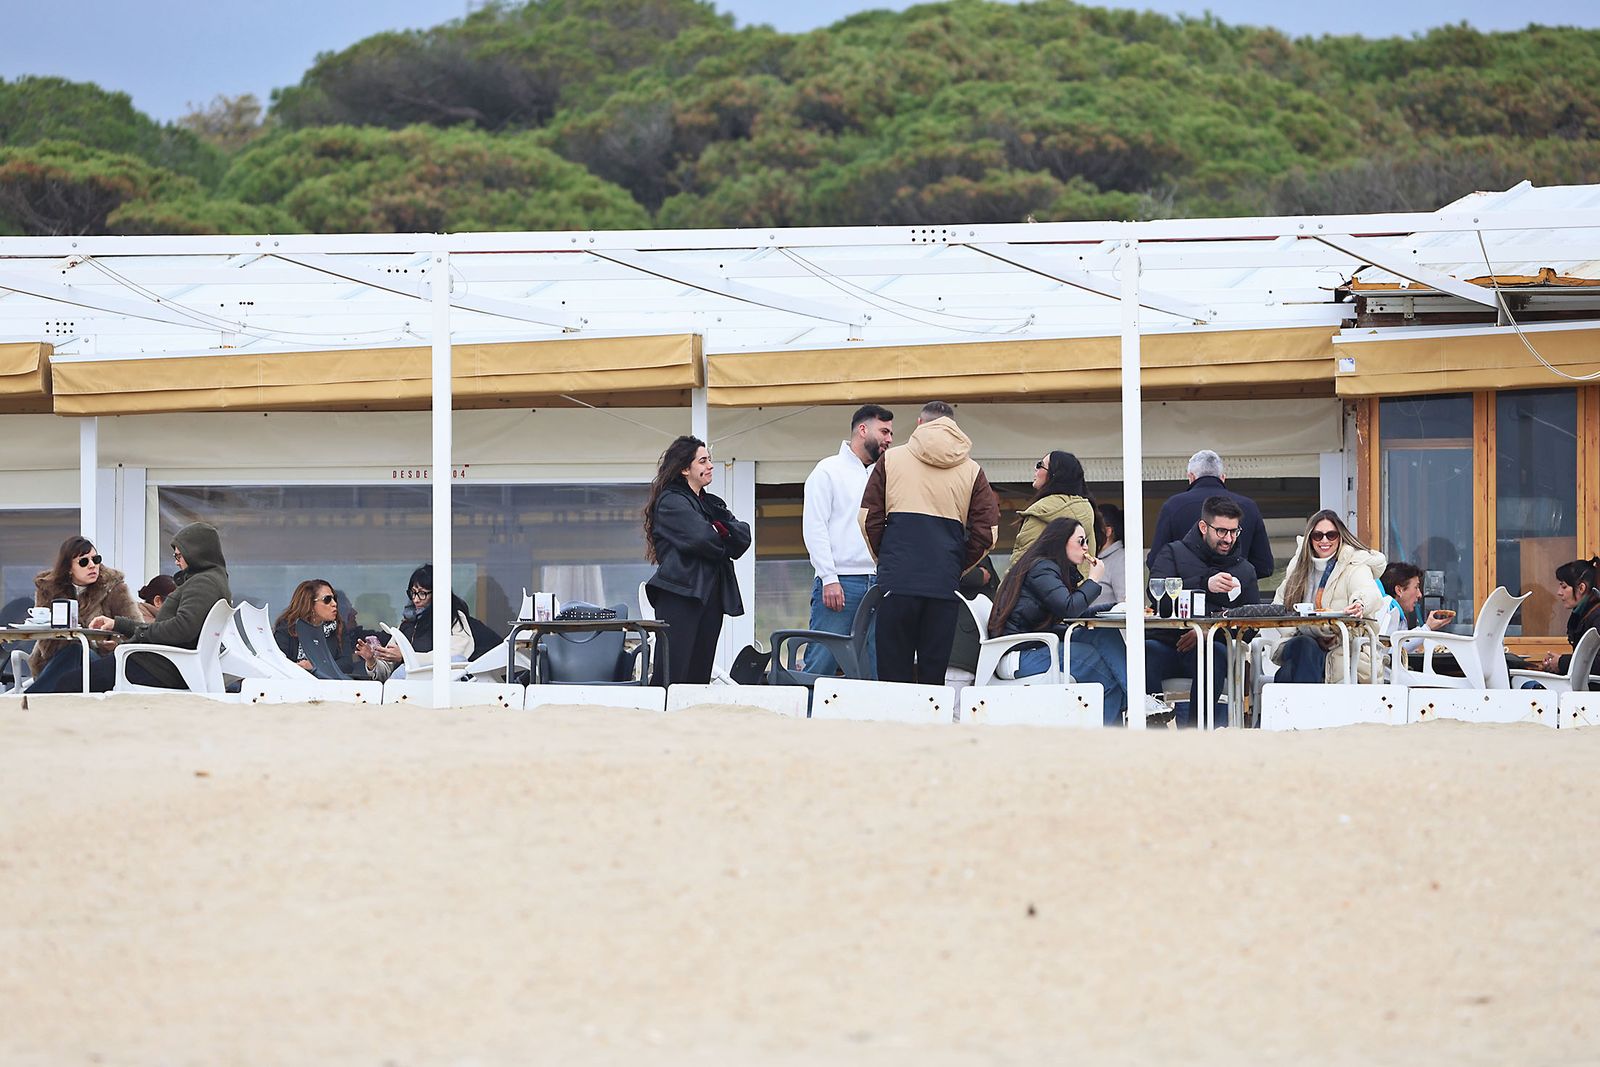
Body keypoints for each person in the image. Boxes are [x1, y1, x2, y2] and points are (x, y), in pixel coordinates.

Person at [861, 400, 1000, 685]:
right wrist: (956, 567)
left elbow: (868, 519)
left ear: (920, 424)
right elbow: (987, 532)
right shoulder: (972, 470)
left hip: (897, 583)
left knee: (893, 678)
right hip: (943, 586)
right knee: (933, 682)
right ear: (954, 428)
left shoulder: (891, 459)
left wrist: (886, 559)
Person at [988, 518, 1129, 725]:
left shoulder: (1051, 569)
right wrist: (1093, 580)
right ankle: (1125, 715)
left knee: (1104, 632)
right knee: (1100, 665)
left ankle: (1136, 697)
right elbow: (1068, 607)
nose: (1086, 547)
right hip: (1019, 654)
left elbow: (1073, 613)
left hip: (1037, 646)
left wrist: (1114, 609)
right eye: (1081, 541)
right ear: (1061, 542)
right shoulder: (1041, 568)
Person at [643, 435, 751, 685]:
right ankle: (662, 719)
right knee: (673, 672)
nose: (710, 465)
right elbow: (704, 538)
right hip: (680, 595)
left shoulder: (711, 503)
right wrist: (721, 533)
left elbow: (743, 537)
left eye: (710, 460)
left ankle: (691, 720)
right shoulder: (671, 501)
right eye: (702, 461)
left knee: (699, 673)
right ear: (684, 468)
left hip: (711, 595)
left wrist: (718, 530)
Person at [74, 522, 232, 692]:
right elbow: (176, 628)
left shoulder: (202, 583)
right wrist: (117, 624)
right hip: (163, 663)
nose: (177, 563)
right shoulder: (213, 580)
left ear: (196, 554)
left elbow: (181, 628)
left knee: (69, 682)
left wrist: (139, 634)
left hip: (156, 667)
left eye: (179, 556)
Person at [1145, 496, 1260, 727]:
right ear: (1203, 527)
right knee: (1144, 652)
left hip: (1212, 648)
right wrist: (1204, 583)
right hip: (1168, 643)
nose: (1228, 538)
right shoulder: (1173, 553)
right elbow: (1158, 598)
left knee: (1214, 654)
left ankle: (1198, 732)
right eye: (1221, 531)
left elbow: (1252, 625)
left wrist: (1208, 633)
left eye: (1234, 531)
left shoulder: (1245, 569)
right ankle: (1153, 728)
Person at [801, 403, 894, 676]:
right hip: (840, 581)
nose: (889, 439)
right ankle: (807, 716)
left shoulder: (885, 474)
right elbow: (815, 527)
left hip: (879, 582)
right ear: (862, 430)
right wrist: (829, 577)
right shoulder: (827, 471)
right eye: (885, 431)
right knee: (822, 660)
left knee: (873, 664)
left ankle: (870, 719)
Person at [1267, 511, 1387, 684]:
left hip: (1342, 646)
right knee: (1306, 645)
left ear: (1340, 537)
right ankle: (1308, 707)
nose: (1324, 541)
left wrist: (1359, 603)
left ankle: (1294, 708)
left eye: (1331, 535)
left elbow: (1369, 592)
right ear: (1310, 538)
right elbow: (1279, 606)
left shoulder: (1354, 565)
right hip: (1299, 640)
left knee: (1287, 672)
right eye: (1318, 535)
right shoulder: (1298, 568)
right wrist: (1301, 630)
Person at [23, 536, 137, 694]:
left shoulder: (114, 589)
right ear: (69, 567)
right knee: (73, 652)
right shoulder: (49, 590)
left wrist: (114, 645)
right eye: (84, 562)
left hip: (103, 665)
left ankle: (29, 700)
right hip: (55, 662)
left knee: (77, 650)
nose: (92, 566)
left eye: (96, 559)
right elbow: (44, 640)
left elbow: (137, 631)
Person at [1147, 449, 1274, 580]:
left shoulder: (1173, 506)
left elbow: (1156, 563)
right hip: (1236, 595)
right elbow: (1264, 566)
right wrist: (1235, 579)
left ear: (1191, 477)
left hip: (1187, 597)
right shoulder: (1249, 506)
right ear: (1223, 478)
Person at [369, 565, 490, 679]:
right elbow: (385, 672)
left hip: (437, 692)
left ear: (437, 593)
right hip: (403, 693)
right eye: (413, 592)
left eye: (422, 593)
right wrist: (371, 661)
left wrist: (406, 657)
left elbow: (456, 657)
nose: (415, 599)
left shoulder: (452, 618)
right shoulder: (406, 624)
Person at [1012, 450, 1096, 579]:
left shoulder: (1041, 512)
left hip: (1038, 595)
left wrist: (1005, 592)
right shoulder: (1086, 511)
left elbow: (1021, 563)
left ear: (1054, 474)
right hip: (1079, 593)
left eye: (1040, 465)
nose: (1035, 469)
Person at [274, 578, 378, 678]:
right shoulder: (287, 628)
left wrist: (316, 668)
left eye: (334, 599)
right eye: (327, 599)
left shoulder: (338, 628)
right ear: (310, 604)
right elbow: (279, 663)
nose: (334, 604)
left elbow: (346, 665)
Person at [1538, 556, 1600, 674]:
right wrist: (1557, 663)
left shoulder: (1597, 617)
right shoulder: (1582, 615)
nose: (1559, 592)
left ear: (1581, 588)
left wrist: (1562, 663)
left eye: (1564, 586)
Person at [1377, 562, 1453, 654]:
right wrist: (1427, 628)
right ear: (1399, 590)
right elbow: (1388, 651)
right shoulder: (1387, 611)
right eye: (1416, 587)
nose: (1420, 595)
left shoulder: (1396, 612)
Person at [1089, 503, 1127, 609]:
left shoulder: (1121, 559)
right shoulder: (1094, 558)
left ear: (1107, 531)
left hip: (1106, 625)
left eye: (1092, 529)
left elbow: (1124, 605)